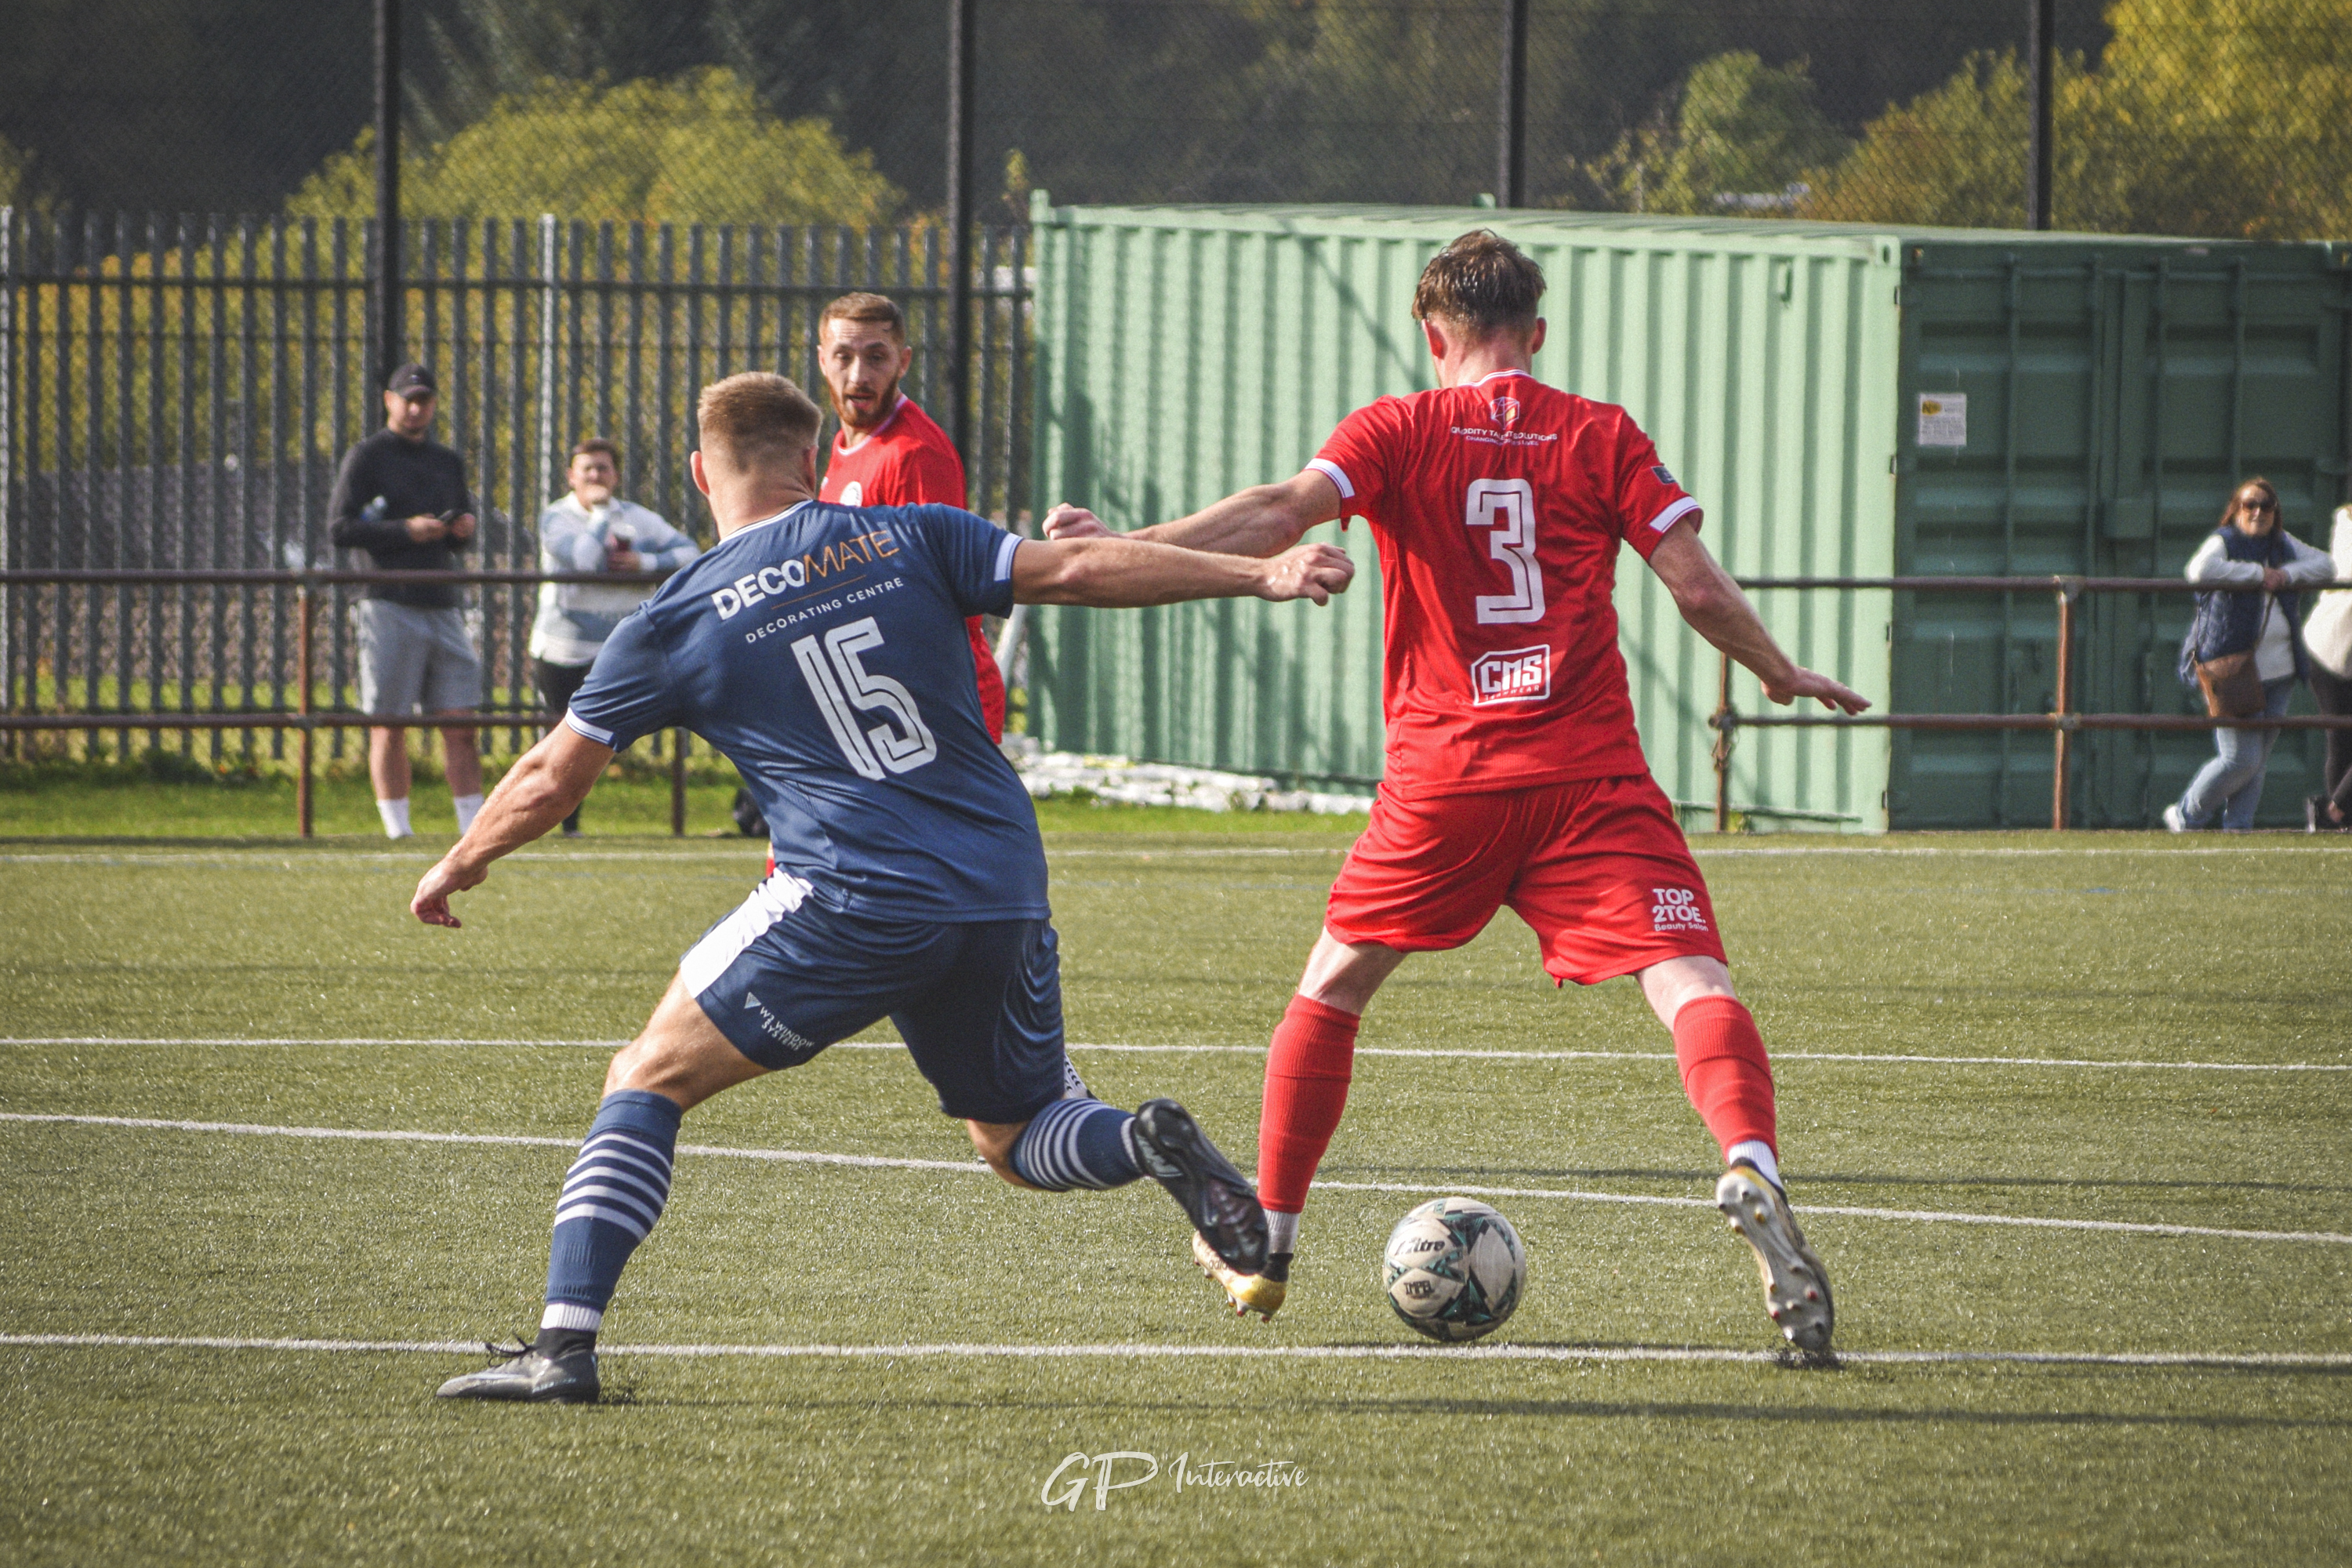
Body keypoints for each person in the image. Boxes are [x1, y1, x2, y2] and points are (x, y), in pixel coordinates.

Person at [414, 372, 1355, 1403]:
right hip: (1000, 887)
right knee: (1013, 1137)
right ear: (812, 463)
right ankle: (1139, 1140)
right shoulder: (911, 536)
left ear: (699, 473)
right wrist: (1257, 575)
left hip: (849, 897)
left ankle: (565, 1348)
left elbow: (555, 776)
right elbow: (1082, 566)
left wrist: (463, 858)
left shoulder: (677, 616)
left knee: (646, 1077)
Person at [1044, 230, 1867, 1353]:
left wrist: (1126, 544)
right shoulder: (1600, 432)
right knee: (1689, 979)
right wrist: (1780, 672)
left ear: (1434, 337)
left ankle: (1268, 1253)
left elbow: (1277, 510)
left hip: (1445, 781)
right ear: (1536, 333)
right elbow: (1695, 586)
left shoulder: (1397, 427)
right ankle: (1750, 1161)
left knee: (1333, 990)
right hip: (1590, 776)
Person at [815, 292, 1006, 742]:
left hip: (939, 702)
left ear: (903, 363)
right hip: (885, 694)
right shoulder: (848, 445)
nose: (859, 375)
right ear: (823, 360)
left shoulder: (914, 456)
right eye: (844, 356)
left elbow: (937, 594)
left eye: (876, 357)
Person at [328, 363, 485, 840]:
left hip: (442, 600)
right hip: (388, 601)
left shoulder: (446, 461)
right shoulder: (367, 456)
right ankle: (399, 832)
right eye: (407, 399)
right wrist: (404, 530)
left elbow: (459, 531)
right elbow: (340, 528)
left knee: (460, 722)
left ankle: (472, 830)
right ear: (389, 401)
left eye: (425, 399)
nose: (416, 408)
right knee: (389, 723)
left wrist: (461, 530)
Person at [528, 437, 700, 835]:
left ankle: (664, 820)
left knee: (605, 740)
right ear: (571, 477)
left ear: (616, 474)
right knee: (564, 739)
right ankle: (565, 827)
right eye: (586, 468)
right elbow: (587, 561)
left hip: (618, 649)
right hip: (563, 649)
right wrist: (601, 513)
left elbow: (689, 553)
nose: (595, 476)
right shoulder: (557, 518)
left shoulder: (639, 518)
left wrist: (645, 561)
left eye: (603, 468)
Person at [2164, 478, 2336, 833]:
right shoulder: (2224, 541)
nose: (2258, 512)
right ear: (2236, 509)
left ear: (2276, 513)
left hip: (2281, 670)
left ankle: (2238, 829)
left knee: (2256, 762)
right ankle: (2186, 815)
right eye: (2250, 505)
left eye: (2266, 506)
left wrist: (2287, 574)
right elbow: (2198, 571)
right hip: (2233, 671)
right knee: (2239, 759)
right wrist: (2257, 574)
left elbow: (2327, 567)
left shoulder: (2282, 543)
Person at [2297, 503, 2352, 831]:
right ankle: (2336, 816)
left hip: (2332, 644)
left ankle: (2333, 816)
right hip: (2331, 645)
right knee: (2341, 741)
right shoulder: (2347, 522)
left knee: (2342, 742)